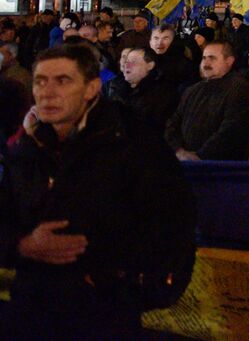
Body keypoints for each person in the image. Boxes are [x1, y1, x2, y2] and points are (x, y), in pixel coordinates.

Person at [0, 43, 196, 340]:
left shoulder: (134, 145)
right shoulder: (28, 148)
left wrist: (110, 281)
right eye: (40, 81)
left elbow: (173, 228)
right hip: (31, 309)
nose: (47, 92)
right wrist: (22, 245)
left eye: (63, 81)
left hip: (103, 316)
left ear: (91, 88)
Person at [165, 40, 249, 160]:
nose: (206, 63)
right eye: (204, 58)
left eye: (212, 58)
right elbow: (173, 123)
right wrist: (178, 150)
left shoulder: (239, 89)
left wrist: (199, 156)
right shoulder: (192, 90)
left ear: (229, 61)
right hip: (184, 162)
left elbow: (231, 130)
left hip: (219, 164)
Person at [107, 45, 179, 132]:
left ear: (150, 65)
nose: (127, 65)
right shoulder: (116, 86)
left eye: (133, 62)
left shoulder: (163, 92)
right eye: (126, 61)